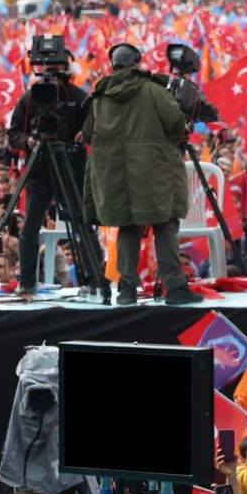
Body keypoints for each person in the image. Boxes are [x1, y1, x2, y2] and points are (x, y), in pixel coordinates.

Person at [82, 43, 201, 305]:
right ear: (137, 62)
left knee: (127, 227)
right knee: (165, 224)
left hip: (117, 176)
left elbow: (89, 133)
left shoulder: (99, 96)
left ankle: (126, 290)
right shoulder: (153, 90)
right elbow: (176, 124)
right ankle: (176, 288)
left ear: (113, 65)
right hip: (155, 172)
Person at [6, 39, 89, 296]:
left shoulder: (79, 97)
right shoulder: (30, 98)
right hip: (39, 172)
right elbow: (13, 134)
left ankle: (90, 279)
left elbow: (95, 126)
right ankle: (27, 281)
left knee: (81, 224)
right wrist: (28, 141)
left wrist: (85, 132)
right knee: (30, 228)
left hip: (70, 170)